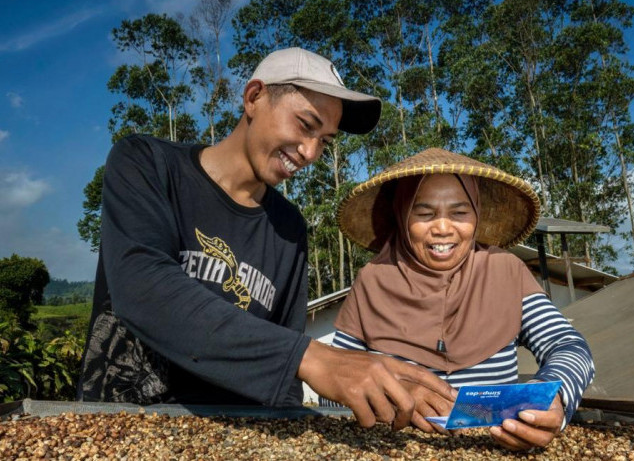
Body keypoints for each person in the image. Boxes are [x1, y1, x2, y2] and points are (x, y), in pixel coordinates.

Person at [77, 47, 456, 429]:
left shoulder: (289, 230)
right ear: (254, 97)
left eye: (324, 140)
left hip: (227, 436)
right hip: (120, 425)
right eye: (305, 125)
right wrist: (312, 358)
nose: (310, 152)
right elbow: (143, 288)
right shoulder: (147, 164)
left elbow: (282, 365)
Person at [325, 147, 595, 450]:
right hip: (392, 448)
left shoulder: (505, 271)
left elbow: (569, 346)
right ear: (402, 215)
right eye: (424, 213)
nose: (442, 228)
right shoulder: (372, 280)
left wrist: (552, 398)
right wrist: (391, 393)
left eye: (459, 213)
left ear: (476, 215)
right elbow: (334, 383)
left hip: (496, 447)